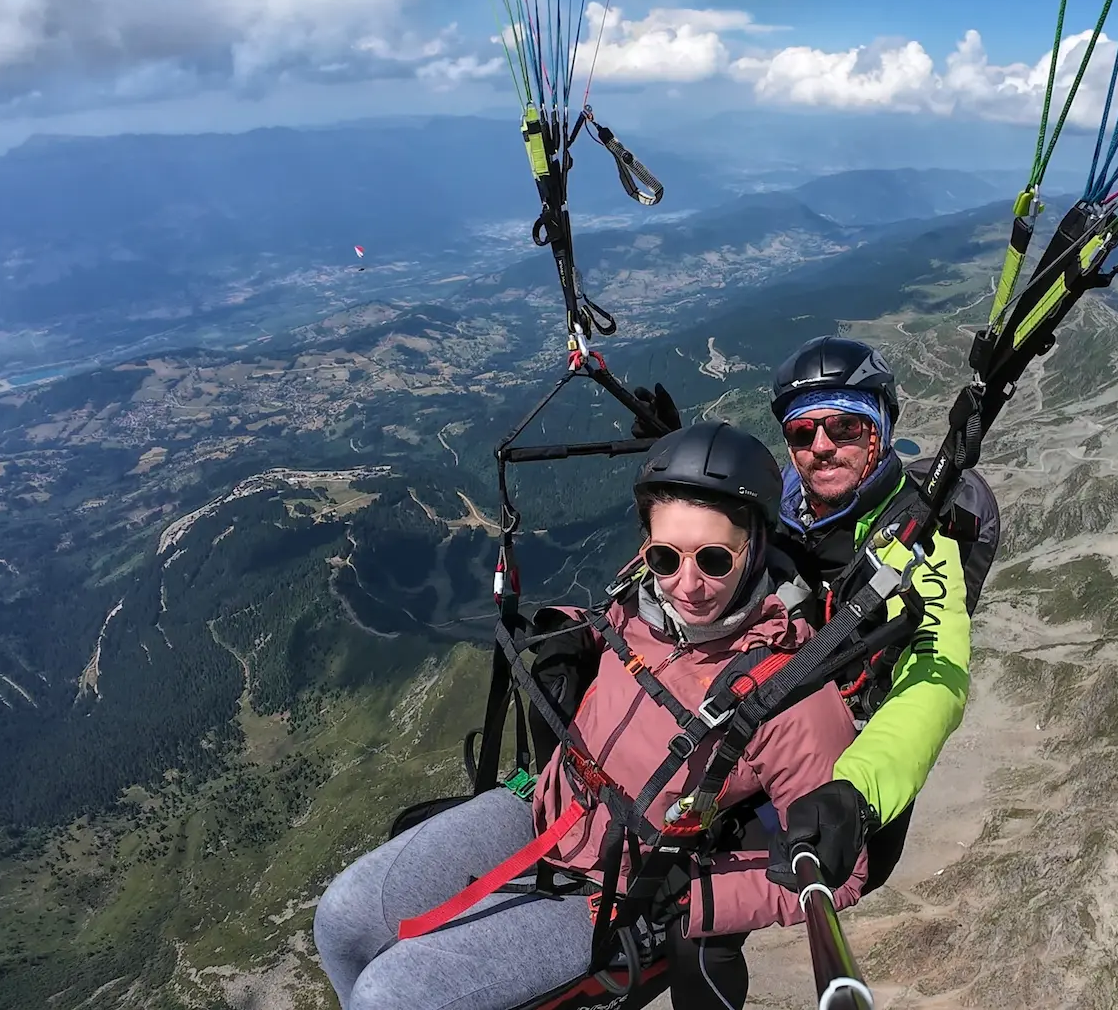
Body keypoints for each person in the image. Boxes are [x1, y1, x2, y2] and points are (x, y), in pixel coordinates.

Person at [312, 421, 869, 1010]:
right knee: (342, 919)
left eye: (713, 559)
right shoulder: (639, 601)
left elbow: (840, 872)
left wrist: (691, 901)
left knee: (389, 995)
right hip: (544, 805)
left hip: (620, 890)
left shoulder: (790, 693)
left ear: (754, 547)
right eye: (664, 556)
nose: (688, 585)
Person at [762, 335, 997, 898]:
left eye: (844, 427)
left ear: (879, 432)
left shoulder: (926, 542)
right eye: (802, 432)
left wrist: (857, 792)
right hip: (771, 722)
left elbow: (933, 679)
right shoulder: (780, 509)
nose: (821, 445)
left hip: (851, 778)